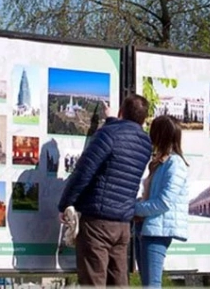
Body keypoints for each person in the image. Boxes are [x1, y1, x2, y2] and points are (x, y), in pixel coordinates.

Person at [58, 93, 153, 287]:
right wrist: (111, 120)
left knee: (94, 280)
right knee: (118, 281)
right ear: (144, 119)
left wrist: (65, 203)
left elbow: (83, 172)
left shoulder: (108, 135)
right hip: (123, 225)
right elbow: (122, 142)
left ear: (121, 112)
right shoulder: (145, 144)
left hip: (97, 222)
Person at [133, 115, 189, 287]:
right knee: (147, 283)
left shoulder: (175, 164)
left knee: (152, 284)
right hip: (145, 226)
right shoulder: (159, 162)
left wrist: (134, 208)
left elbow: (164, 202)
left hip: (158, 231)